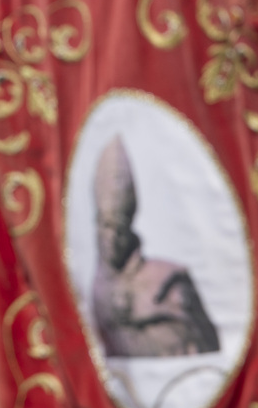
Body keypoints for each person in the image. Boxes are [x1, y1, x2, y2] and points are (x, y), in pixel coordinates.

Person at [91, 137, 219, 357]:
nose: (112, 238)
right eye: (105, 226)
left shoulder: (167, 281)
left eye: (119, 229)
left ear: (129, 229)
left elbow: (197, 346)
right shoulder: (92, 286)